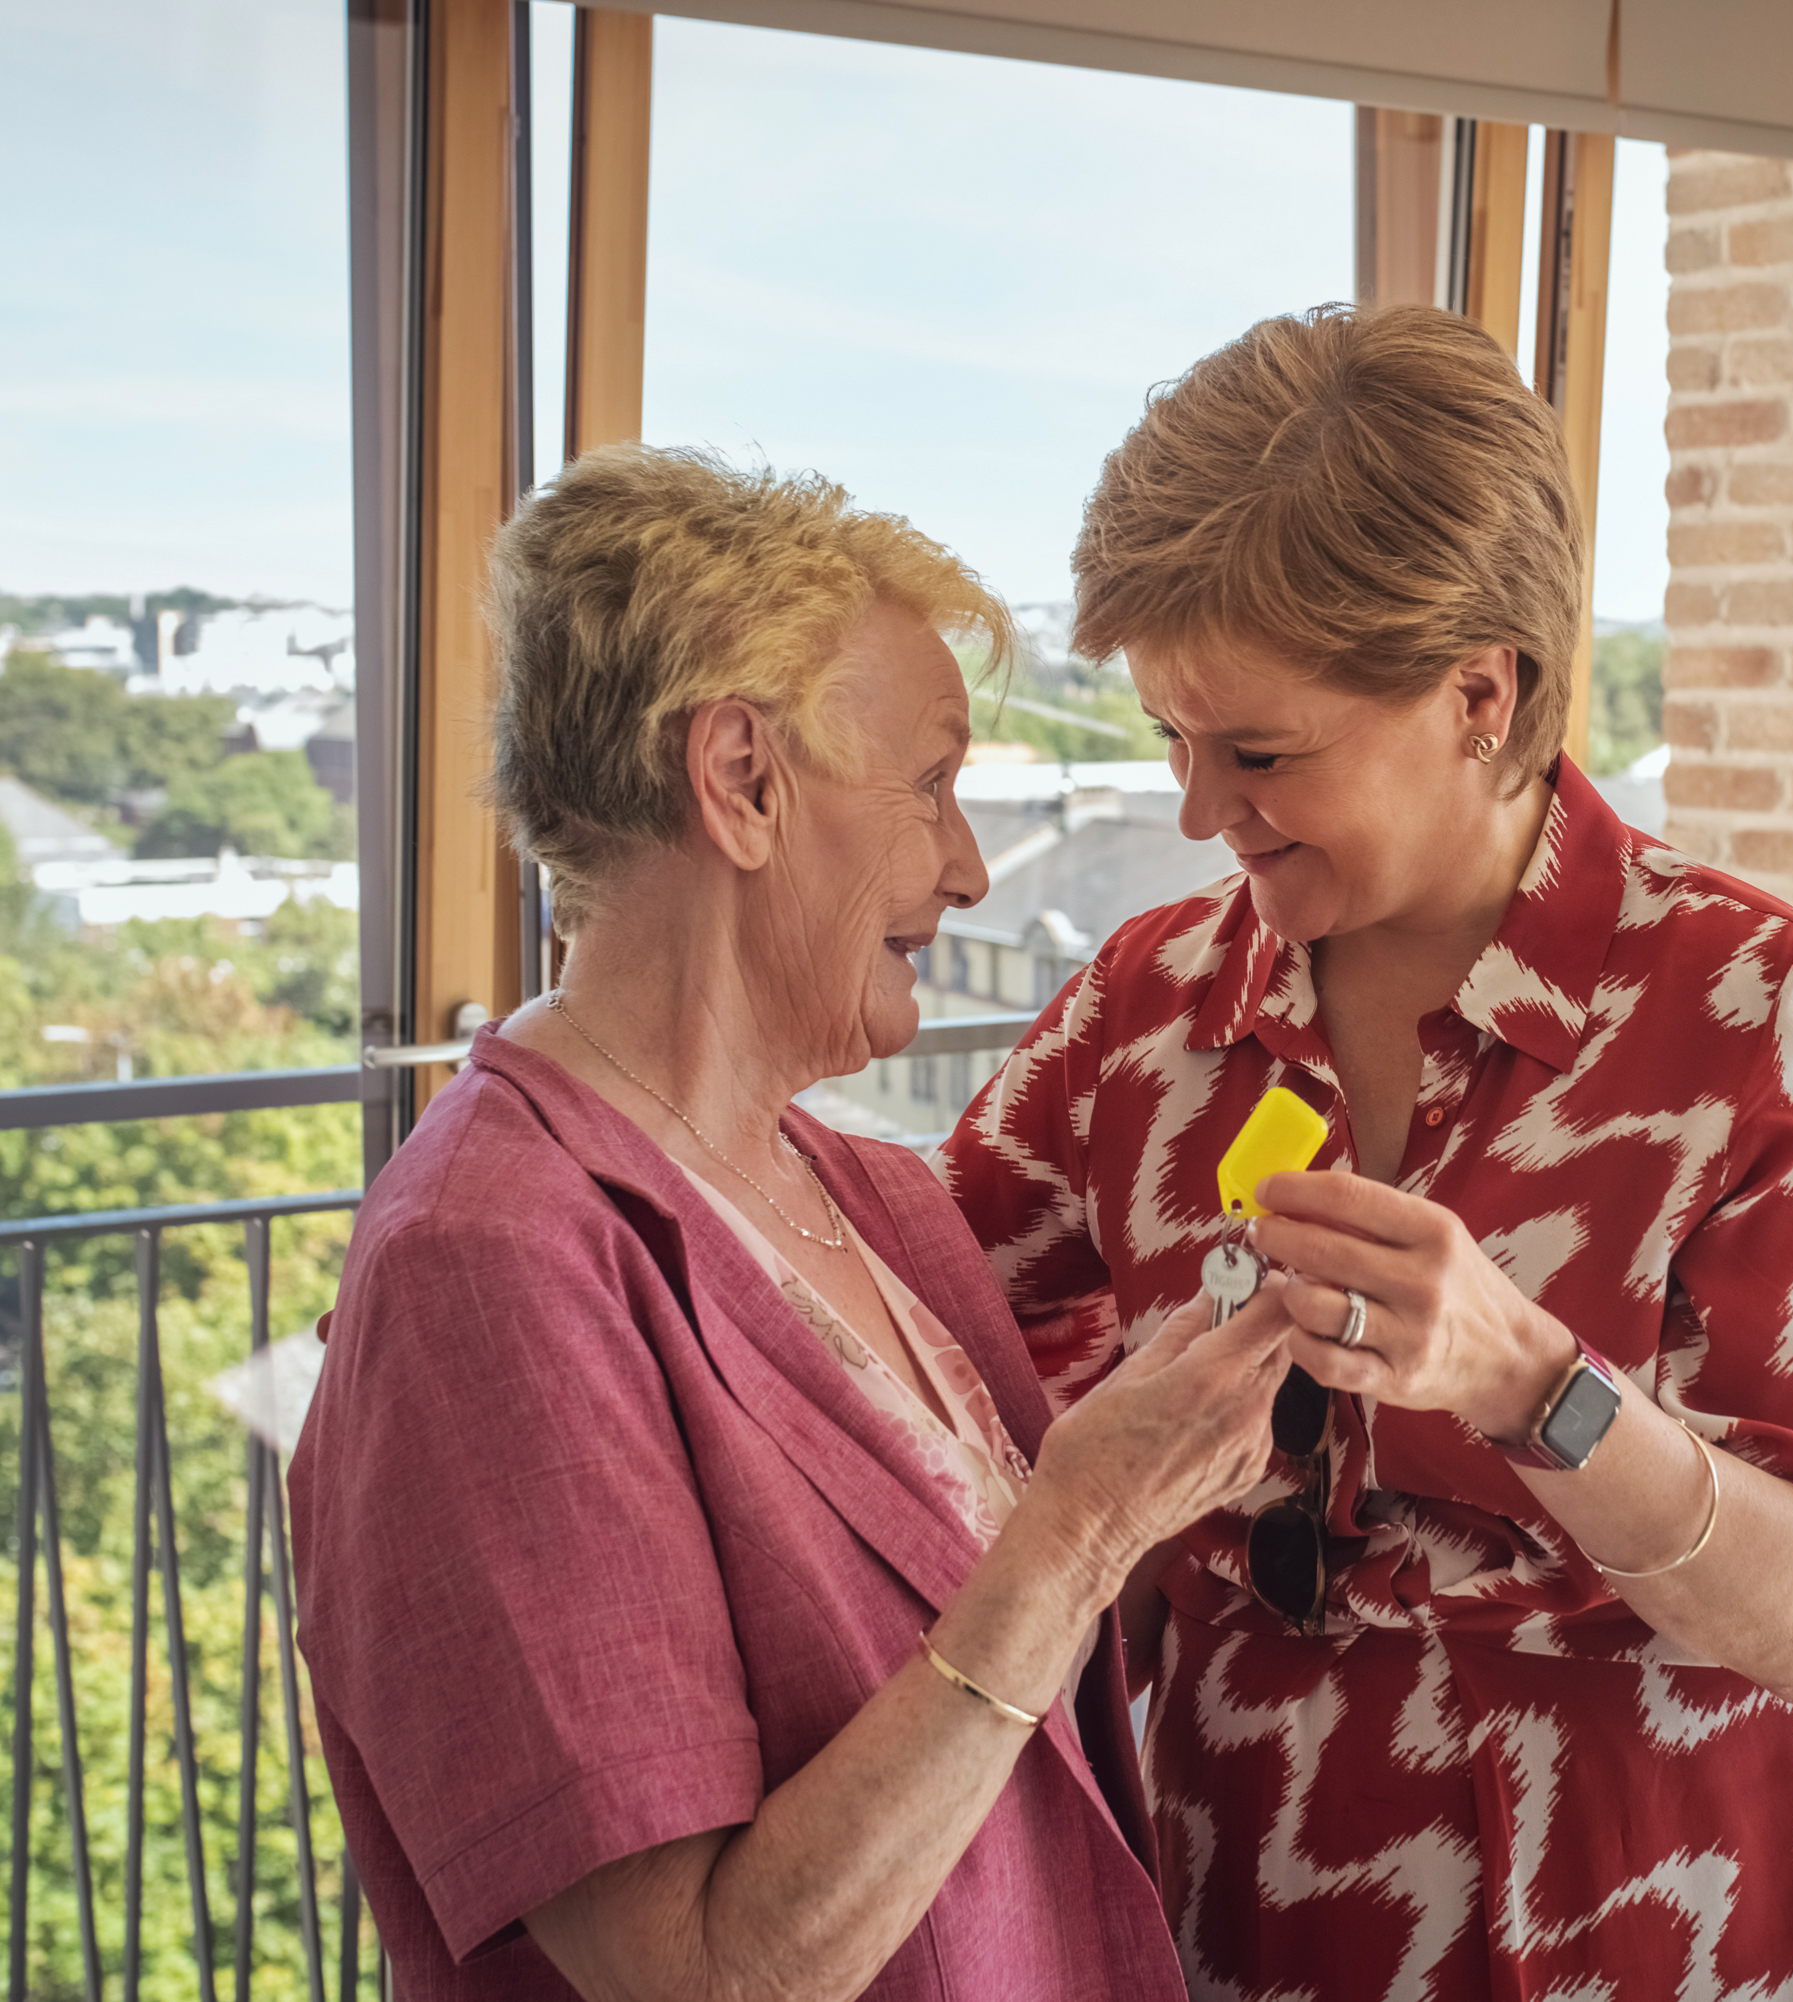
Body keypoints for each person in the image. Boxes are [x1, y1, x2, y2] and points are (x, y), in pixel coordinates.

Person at [941, 305, 1793, 2000]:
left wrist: (1529, 1379)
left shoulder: (1753, 1004)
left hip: (1690, 1913)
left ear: (1482, 691)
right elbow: (903, 1358)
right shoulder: (1143, 1011)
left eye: (1257, 751)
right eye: (1174, 738)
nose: (1199, 809)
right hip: (1264, 1914)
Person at [290, 445, 1296, 2002]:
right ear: (742, 779)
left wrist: (1171, 1459)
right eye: (932, 787)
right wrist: (1077, 1527)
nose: (966, 868)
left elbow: (1002, 1716)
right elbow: (699, 1971)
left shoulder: (878, 1200)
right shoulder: (486, 1265)